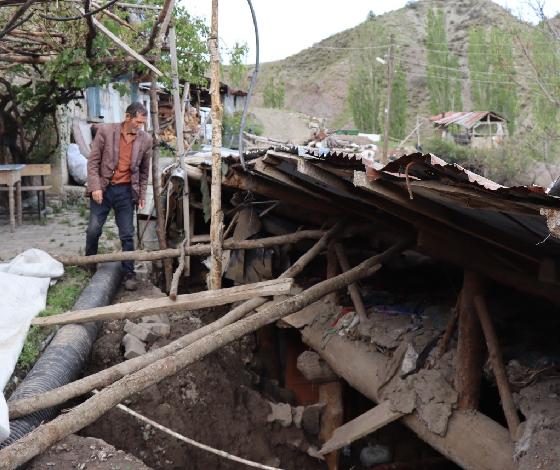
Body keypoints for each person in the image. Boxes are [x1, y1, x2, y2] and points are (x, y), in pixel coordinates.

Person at [85, 102, 151, 290]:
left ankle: (129, 273)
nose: (140, 126)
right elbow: (93, 162)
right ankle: (89, 263)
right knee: (93, 230)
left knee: (127, 234)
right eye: (138, 122)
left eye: (143, 123)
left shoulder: (145, 139)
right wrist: (95, 186)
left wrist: (141, 193)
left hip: (126, 192)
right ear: (128, 117)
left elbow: (144, 171)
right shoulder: (106, 131)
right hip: (104, 189)